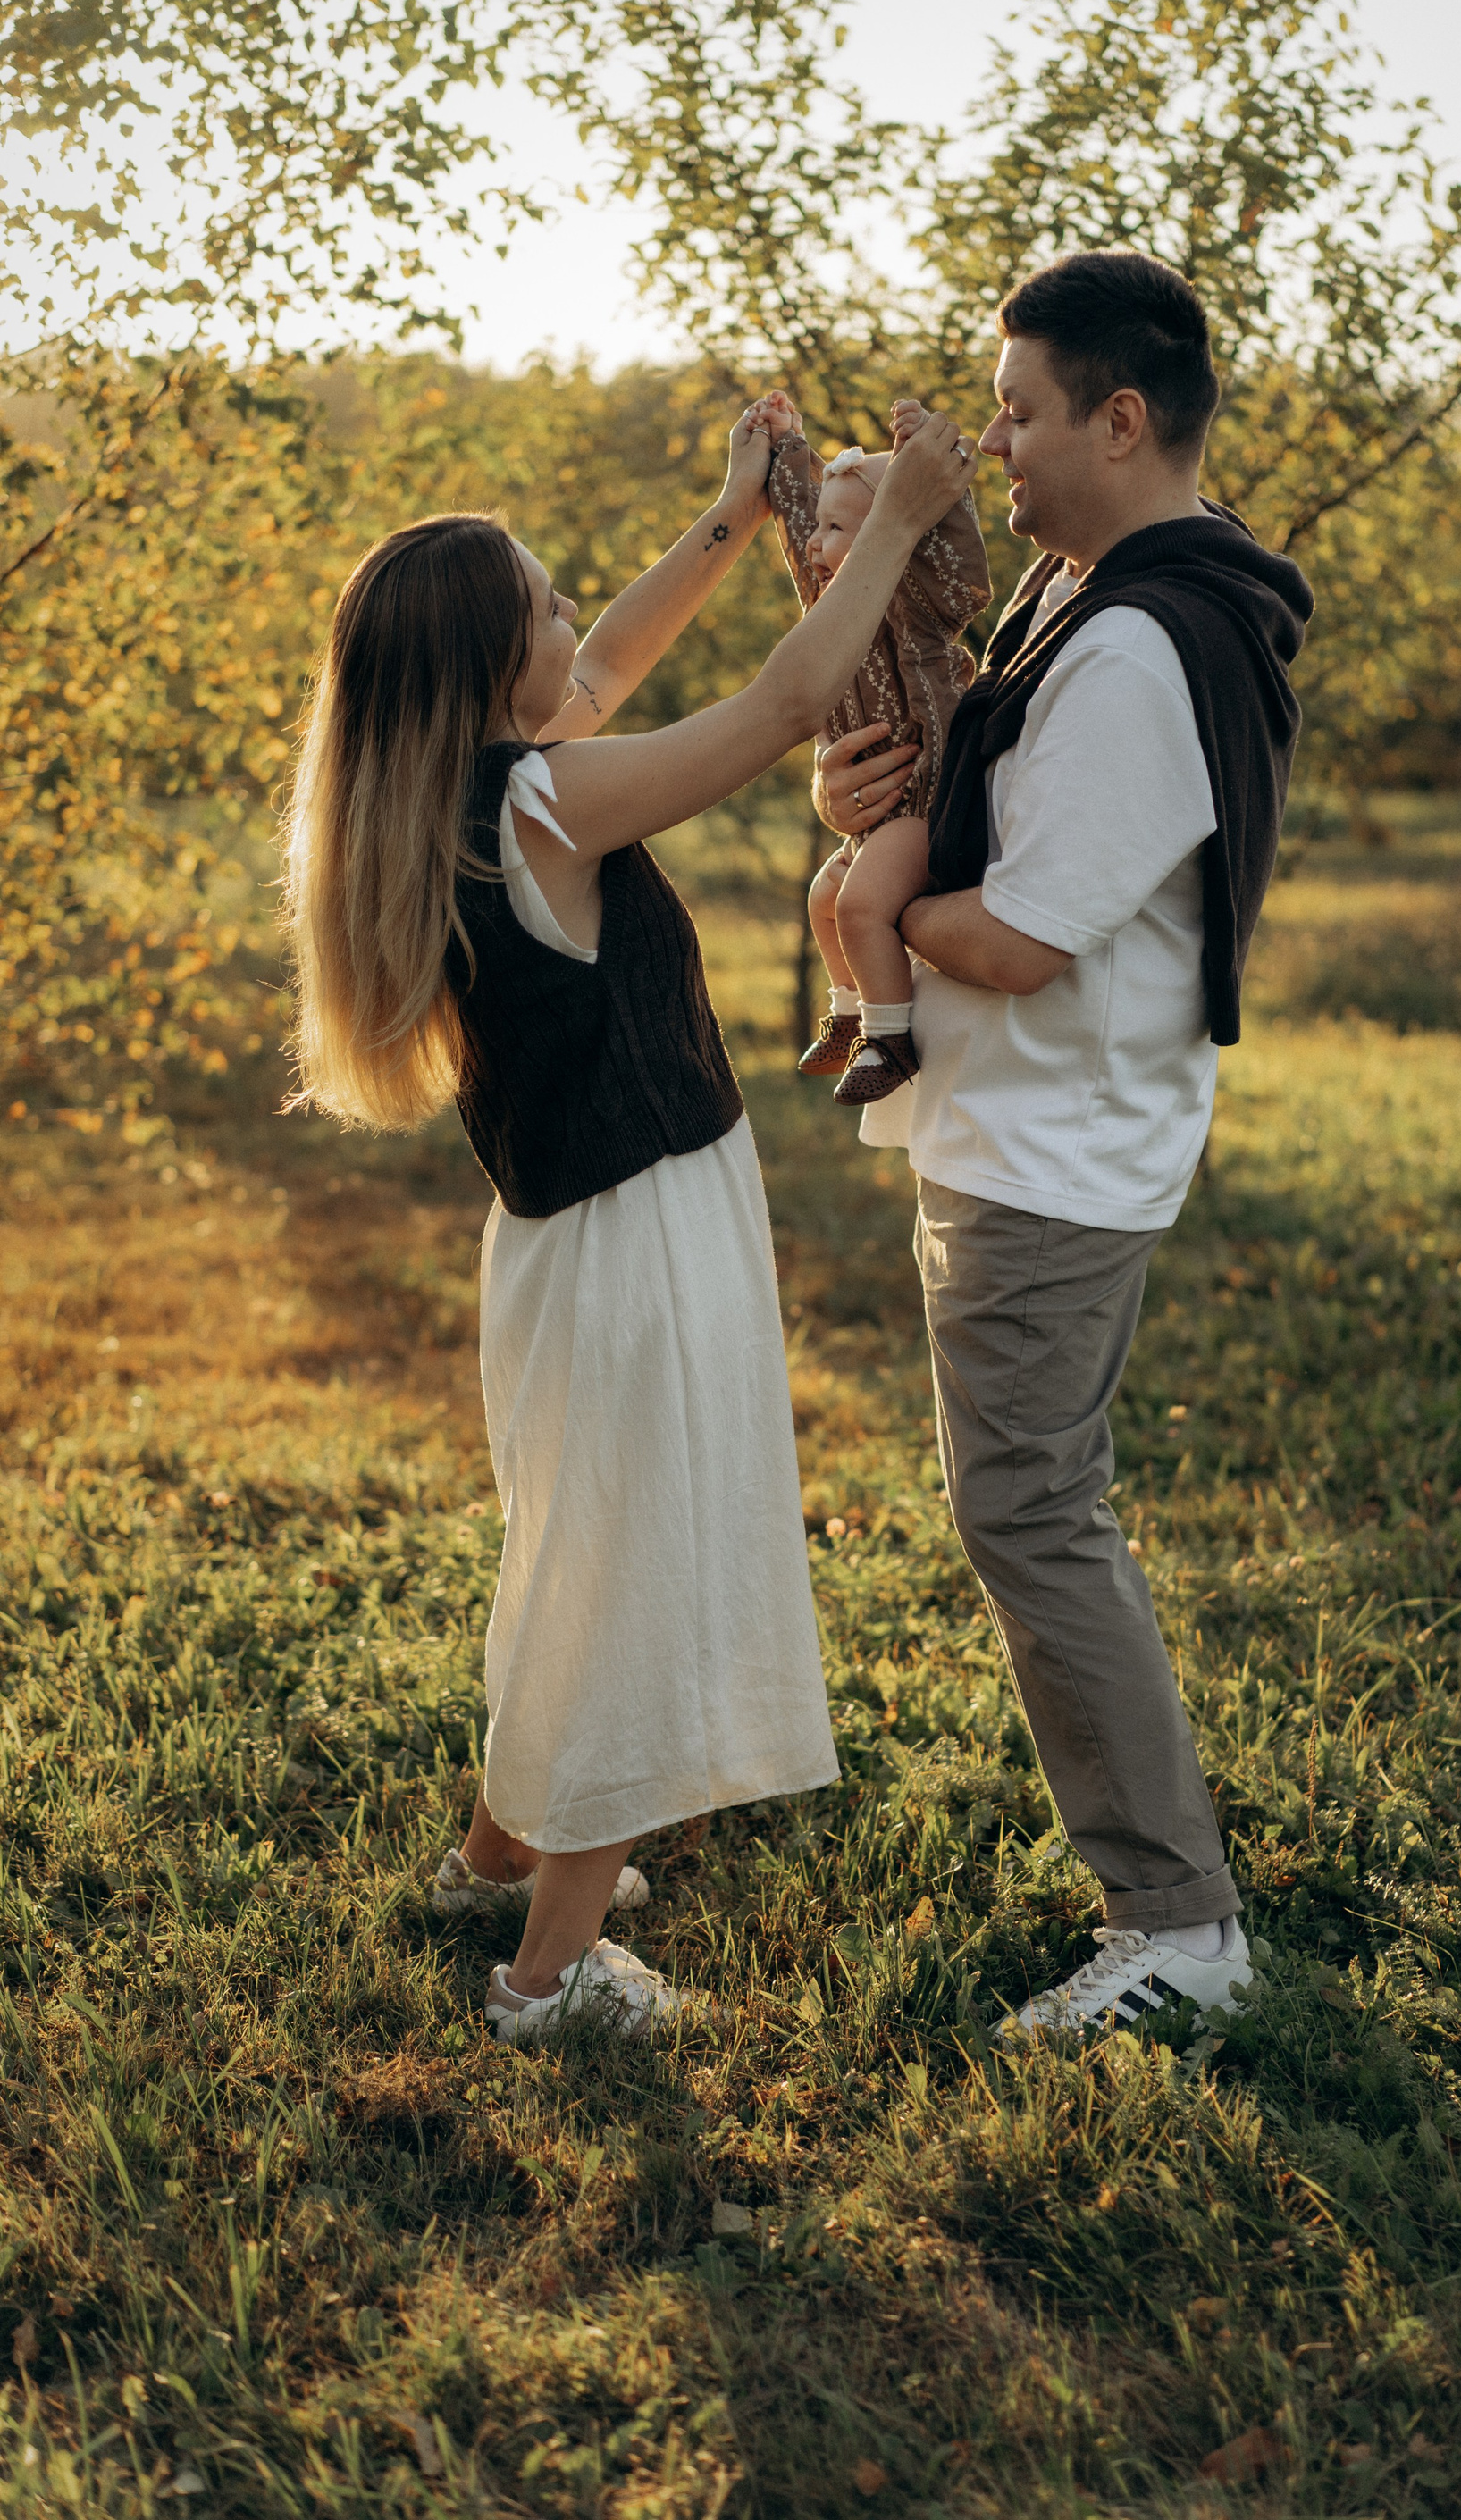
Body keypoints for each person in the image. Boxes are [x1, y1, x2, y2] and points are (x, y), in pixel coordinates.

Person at [282, 398, 978, 2047]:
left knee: (577, 1549)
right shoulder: (546, 804)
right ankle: (550, 1973)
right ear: (485, 665)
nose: (571, 622)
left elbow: (603, 674)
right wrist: (894, 521)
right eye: (542, 604)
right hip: (641, 1235)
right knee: (635, 1572)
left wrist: (732, 518)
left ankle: (490, 1861)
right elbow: (786, 704)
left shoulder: (455, 795)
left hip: (564, 1245)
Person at [819, 251, 1314, 2039]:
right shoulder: (1086, 595)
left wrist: (884, 909)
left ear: (1119, 420)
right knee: (1029, 1504)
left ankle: (1178, 1923)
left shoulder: (1137, 649)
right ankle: (1166, 1893)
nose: (998, 448)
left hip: (1056, 1144)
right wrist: (869, 818)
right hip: (1017, 1125)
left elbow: (1024, 936)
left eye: (1019, 414)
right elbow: (982, 798)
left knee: (1030, 1511)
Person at [760, 392, 990, 1103]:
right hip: (875, 817)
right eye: (821, 528)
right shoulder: (829, 611)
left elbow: (957, 566)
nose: (817, 546)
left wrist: (930, 470)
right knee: (826, 900)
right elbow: (799, 524)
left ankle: (890, 1039)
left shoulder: (917, 612)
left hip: (924, 805)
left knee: (860, 906)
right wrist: (786, 446)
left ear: (898, 535)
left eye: (837, 530)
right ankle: (850, 1012)